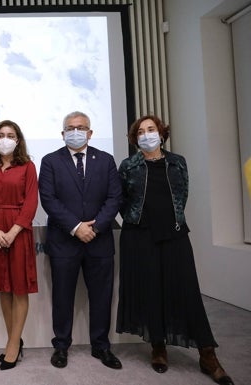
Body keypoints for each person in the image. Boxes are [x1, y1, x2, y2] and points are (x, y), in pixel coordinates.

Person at [116, 115, 234, 385]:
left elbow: (183, 195)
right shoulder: (128, 166)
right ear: (135, 139)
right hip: (139, 237)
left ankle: (208, 355)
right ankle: (158, 347)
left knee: (187, 293)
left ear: (161, 133)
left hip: (175, 235)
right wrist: (136, 219)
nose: (147, 135)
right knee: (151, 291)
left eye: (151, 129)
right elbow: (121, 200)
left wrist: (173, 219)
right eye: (141, 132)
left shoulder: (177, 162)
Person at [38, 111, 122, 370]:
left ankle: (101, 346)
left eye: (81, 127)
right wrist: (76, 227)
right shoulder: (50, 161)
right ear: (63, 134)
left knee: (102, 296)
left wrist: (94, 227)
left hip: (99, 240)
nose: (76, 131)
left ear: (90, 132)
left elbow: (114, 198)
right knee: (62, 296)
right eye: (70, 128)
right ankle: (61, 346)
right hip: (64, 240)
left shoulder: (106, 160)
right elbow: (49, 199)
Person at [0, 120, 38, 370]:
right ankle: (14, 340)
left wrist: (12, 232)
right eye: (0, 135)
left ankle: (13, 345)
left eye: (10, 135)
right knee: (3, 287)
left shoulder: (28, 167)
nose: (5, 139)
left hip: (18, 231)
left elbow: (32, 203)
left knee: (19, 288)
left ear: (18, 140)